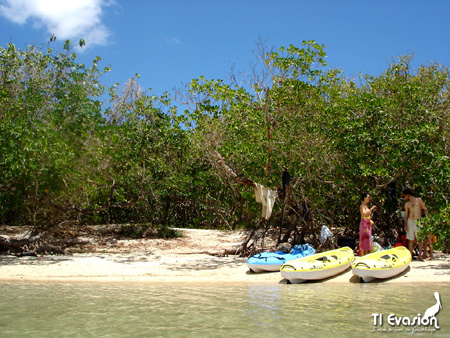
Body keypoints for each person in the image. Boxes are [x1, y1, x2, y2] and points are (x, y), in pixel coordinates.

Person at [403, 188, 429, 260]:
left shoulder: (418, 200)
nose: (404, 198)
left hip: (418, 220)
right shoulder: (407, 204)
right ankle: (410, 256)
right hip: (410, 220)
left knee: (419, 238)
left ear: (408, 195)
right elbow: (406, 215)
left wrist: (426, 219)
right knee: (411, 239)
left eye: (405, 196)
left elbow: (425, 208)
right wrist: (405, 224)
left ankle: (420, 256)